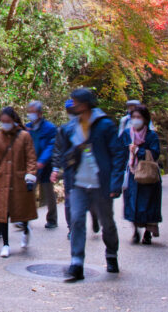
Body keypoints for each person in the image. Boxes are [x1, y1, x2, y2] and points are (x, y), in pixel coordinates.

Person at [52, 88, 125, 281]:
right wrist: (68, 184)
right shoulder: (70, 128)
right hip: (78, 184)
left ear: (84, 104)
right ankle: (76, 262)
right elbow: (66, 159)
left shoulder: (105, 126)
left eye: (75, 102)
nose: (72, 105)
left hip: (101, 184)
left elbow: (118, 153)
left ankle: (111, 254)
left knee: (107, 223)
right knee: (76, 221)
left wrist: (115, 183)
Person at [0, 107, 38, 258]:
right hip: (2, 179)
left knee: (22, 211)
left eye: (7, 122)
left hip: (19, 179)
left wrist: (30, 176)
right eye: (2, 122)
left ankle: (26, 230)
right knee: (2, 212)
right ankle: (6, 244)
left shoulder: (25, 136)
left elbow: (31, 158)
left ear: (14, 120)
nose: (5, 124)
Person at [52, 99, 101, 241]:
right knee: (69, 201)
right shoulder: (64, 129)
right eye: (68, 111)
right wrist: (55, 168)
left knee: (90, 199)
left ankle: (95, 216)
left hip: (87, 170)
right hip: (70, 171)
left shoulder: (89, 127)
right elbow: (58, 150)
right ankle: (71, 228)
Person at [119, 104, 162, 245]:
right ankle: (135, 230)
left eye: (139, 117)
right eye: (134, 117)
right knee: (132, 202)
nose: (136, 120)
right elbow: (120, 153)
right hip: (132, 173)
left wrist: (139, 151)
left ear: (145, 119)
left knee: (148, 203)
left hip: (147, 175)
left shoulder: (151, 136)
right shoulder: (127, 134)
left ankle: (148, 232)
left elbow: (155, 153)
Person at [26, 100, 59, 229]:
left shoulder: (50, 128)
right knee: (29, 191)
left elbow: (52, 145)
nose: (31, 114)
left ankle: (52, 219)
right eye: (29, 112)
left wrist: (42, 161)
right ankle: (26, 218)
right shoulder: (27, 127)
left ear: (40, 113)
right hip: (31, 165)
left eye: (33, 112)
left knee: (48, 193)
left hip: (46, 165)